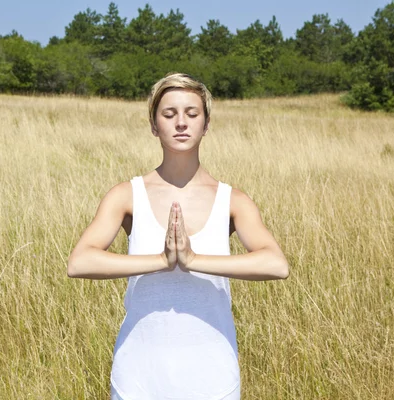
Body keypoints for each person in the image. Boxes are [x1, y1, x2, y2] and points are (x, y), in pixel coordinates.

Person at [67, 72, 289, 400]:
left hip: (213, 376)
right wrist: (160, 261)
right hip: (138, 375)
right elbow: (79, 261)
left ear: (206, 123)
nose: (181, 122)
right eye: (169, 114)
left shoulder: (233, 200)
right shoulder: (126, 195)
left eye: (192, 113)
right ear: (154, 125)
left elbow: (276, 264)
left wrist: (194, 260)